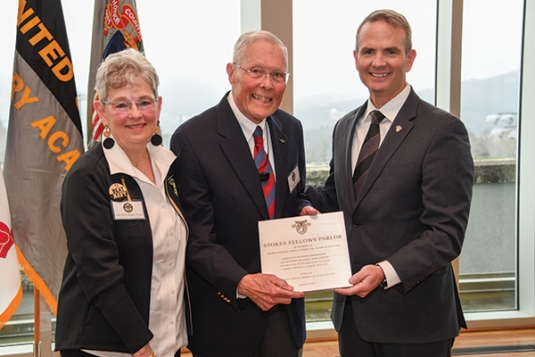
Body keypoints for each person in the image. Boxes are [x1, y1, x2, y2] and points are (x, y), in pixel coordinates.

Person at [305, 9, 474, 357]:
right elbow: (341, 200)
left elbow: (446, 234)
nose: (378, 62)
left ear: (409, 59)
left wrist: (384, 272)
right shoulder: (345, 127)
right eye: (369, 51)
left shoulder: (442, 130)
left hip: (415, 320)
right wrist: (288, 196)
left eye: (390, 52)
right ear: (355, 58)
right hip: (352, 316)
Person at [170, 30, 312, 357]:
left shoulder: (291, 130)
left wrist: (303, 209)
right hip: (227, 318)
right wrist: (244, 283)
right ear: (231, 72)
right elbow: (196, 238)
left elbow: (296, 193)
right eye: (256, 71)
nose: (267, 84)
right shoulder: (193, 139)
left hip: (285, 314)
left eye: (277, 75)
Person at [55, 48, 188, 357]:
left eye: (144, 102)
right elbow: (99, 274)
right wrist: (141, 346)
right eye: (122, 105)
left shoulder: (170, 167)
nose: (135, 114)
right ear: (101, 111)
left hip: (166, 342)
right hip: (109, 347)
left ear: (159, 105)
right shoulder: (88, 177)